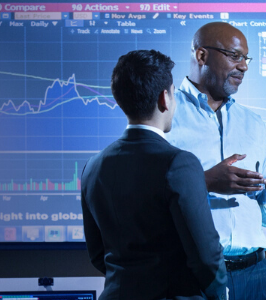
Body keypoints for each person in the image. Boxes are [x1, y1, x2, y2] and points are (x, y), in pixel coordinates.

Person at [80, 49, 228, 300]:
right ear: (165, 98)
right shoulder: (179, 163)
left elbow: (97, 254)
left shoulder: (92, 166)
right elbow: (206, 256)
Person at [165, 22, 266, 300]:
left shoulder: (254, 124)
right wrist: (204, 181)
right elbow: (144, 200)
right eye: (234, 56)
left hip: (255, 275)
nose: (244, 67)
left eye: (245, 59)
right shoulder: (165, 116)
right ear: (201, 56)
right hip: (192, 277)